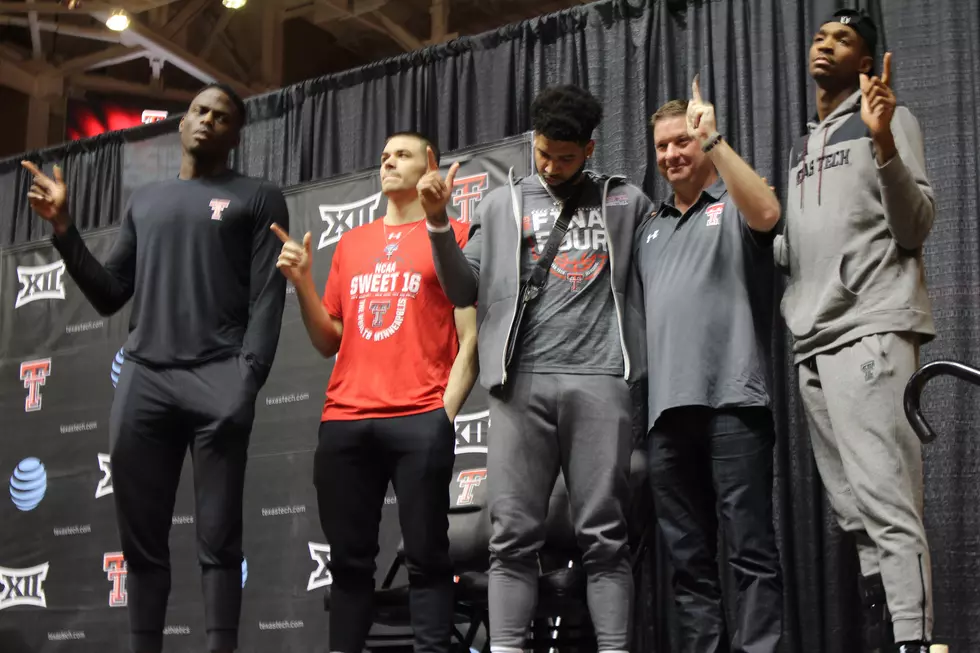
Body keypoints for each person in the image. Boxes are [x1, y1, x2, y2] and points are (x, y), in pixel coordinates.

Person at [21, 84, 289, 653]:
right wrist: (65, 231)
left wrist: (249, 379)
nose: (207, 121)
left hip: (220, 377)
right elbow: (111, 293)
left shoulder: (259, 196)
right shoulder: (146, 199)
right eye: (198, 111)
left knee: (219, 540)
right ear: (182, 121)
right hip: (144, 381)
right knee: (141, 545)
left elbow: (269, 297)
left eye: (221, 117)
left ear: (236, 135)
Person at [422, 84, 653, 653]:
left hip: (602, 380)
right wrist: (435, 223)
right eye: (543, 154)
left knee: (603, 536)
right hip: (520, 385)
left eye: (566, 158)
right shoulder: (502, 203)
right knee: (512, 538)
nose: (551, 167)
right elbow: (462, 287)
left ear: (591, 149)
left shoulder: (626, 203)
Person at [272, 131, 478, 653]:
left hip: (419, 417)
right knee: (349, 563)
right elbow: (328, 341)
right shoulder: (353, 243)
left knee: (428, 556)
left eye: (402, 155)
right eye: (384, 155)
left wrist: (442, 416)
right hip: (345, 420)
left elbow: (471, 338)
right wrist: (302, 285)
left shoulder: (456, 233)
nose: (388, 161)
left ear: (428, 164)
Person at [775, 9, 936, 653]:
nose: (826, 45)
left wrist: (885, 145)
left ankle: (915, 641)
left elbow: (916, 224)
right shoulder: (804, 143)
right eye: (821, 35)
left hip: (870, 328)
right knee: (857, 515)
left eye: (843, 39)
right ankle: (886, 635)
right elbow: (809, 242)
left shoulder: (889, 120)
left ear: (865, 61)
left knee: (889, 504)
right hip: (811, 339)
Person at [635, 78, 783, 653]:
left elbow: (770, 211)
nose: (672, 154)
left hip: (734, 407)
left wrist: (715, 137)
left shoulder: (737, 204)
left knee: (750, 551)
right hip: (666, 416)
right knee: (688, 563)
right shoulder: (648, 230)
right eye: (663, 146)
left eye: (682, 142)